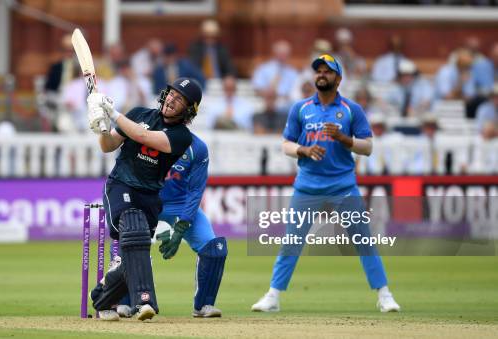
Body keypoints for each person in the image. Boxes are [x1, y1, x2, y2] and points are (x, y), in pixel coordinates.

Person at [251, 54, 401, 313]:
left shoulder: (352, 109)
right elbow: (285, 144)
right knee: (292, 241)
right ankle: (273, 296)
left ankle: (384, 295)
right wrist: (305, 151)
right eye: (318, 71)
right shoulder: (301, 108)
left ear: (338, 78)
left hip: (343, 185)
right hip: (307, 185)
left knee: (363, 240)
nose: (321, 75)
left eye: (327, 71)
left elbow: (367, 147)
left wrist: (344, 138)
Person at [87, 77, 202, 321]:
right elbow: (107, 146)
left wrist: (113, 112)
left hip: (149, 196)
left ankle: (101, 298)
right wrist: (102, 126)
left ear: (189, 109)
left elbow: (144, 137)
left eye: (179, 98)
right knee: (135, 232)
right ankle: (144, 302)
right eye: (171, 93)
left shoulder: (182, 136)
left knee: (134, 252)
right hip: (121, 185)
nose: (171, 99)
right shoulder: (139, 113)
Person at [117, 132, 228, 319]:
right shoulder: (146, 134)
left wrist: (181, 227)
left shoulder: (197, 147)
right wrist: (157, 228)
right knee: (132, 246)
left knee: (214, 249)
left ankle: (203, 305)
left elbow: (196, 191)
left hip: (181, 204)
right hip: (146, 200)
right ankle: (126, 301)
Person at [252, 40, 299, 112]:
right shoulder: (263, 69)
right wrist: (270, 96)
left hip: (286, 103)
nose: (283, 56)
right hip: (267, 101)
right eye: (281, 53)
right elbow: (257, 88)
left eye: (285, 54)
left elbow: (296, 91)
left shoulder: (292, 72)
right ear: (275, 53)